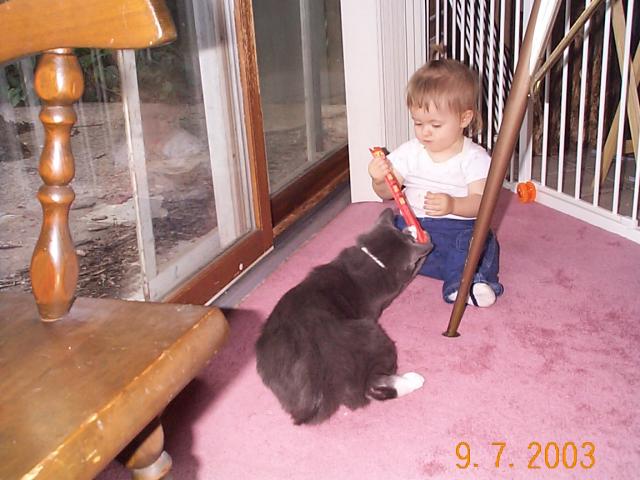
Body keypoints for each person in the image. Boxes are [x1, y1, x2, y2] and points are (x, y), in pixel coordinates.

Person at [367, 57, 503, 307]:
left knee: (478, 242)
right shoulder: (410, 151)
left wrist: (453, 205)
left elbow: (482, 203)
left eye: (435, 125)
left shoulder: (474, 157)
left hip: (456, 230)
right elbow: (387, 193)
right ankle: (377, 273)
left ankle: (465, 284)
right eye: (418, 123)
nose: (425, 131)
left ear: (464, 119)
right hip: (412, 228)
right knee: (384, 229)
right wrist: (378, 178)